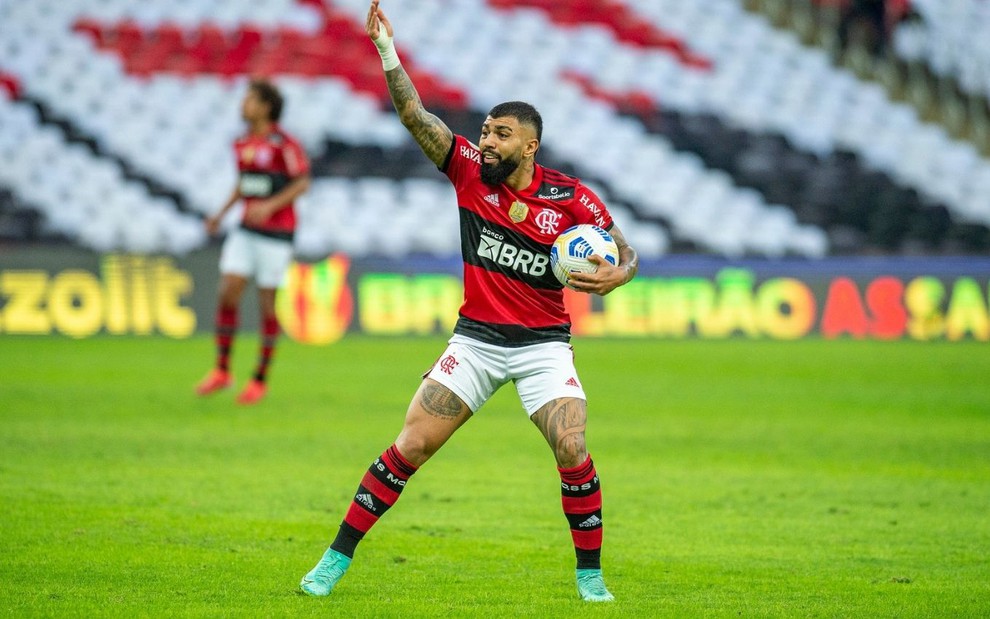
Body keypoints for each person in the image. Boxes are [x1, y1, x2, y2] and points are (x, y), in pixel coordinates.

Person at [300, 0, 638, 603]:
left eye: (500, 134)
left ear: (530, 147)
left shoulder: (572, 199)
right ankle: (333, 561)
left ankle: (590, 578)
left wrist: (619, 276)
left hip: (542, 347)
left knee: (573, 445)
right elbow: (413, 114)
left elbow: (622, 250)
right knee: (411, 445)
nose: (485, 140)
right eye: (484, 130)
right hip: (477, 341)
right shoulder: (465, 171)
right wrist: (386, 51)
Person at [195, 78, 311, 405]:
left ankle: (259, 379)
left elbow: (302, 183)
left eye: (249, 100)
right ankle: (222, 370)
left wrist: (271, 206)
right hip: (245, 230)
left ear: (265, 106)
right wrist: (221, 214)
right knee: (228, 292)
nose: (243, 105)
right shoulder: (242, 142)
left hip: (276, 235)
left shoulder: (283, 144)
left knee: (265, 305)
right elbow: (244, 185)